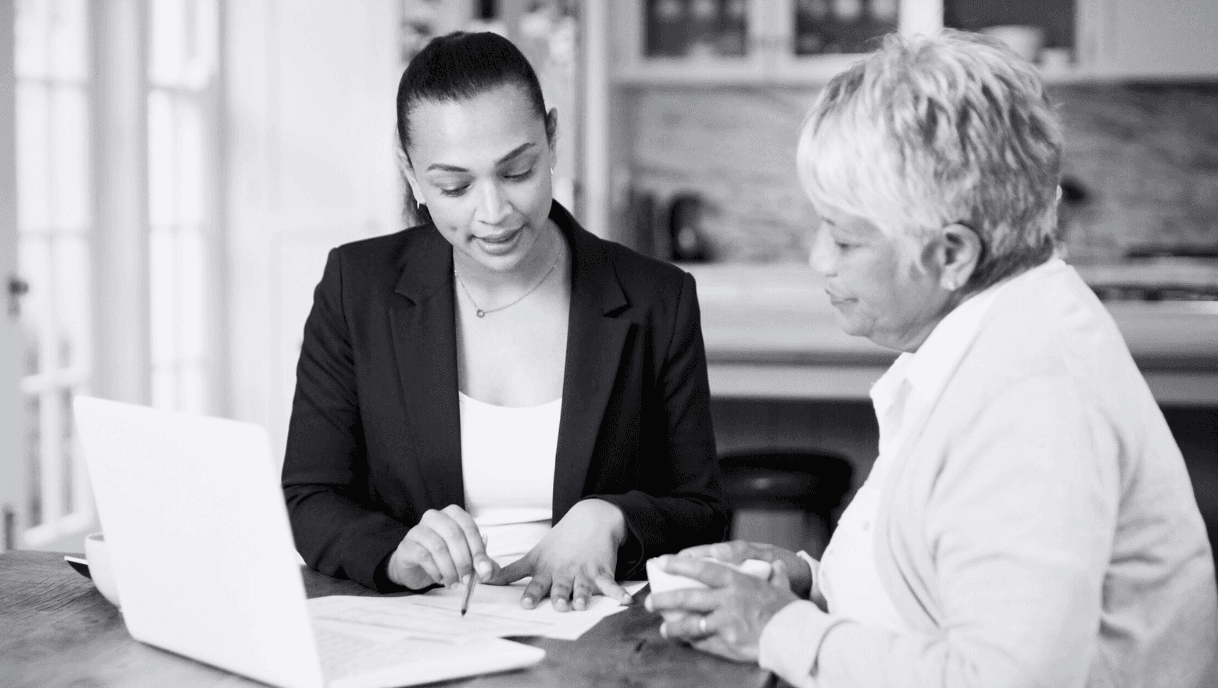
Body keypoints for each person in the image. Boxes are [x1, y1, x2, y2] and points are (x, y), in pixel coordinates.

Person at [646, 30, 1218, 686]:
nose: (818, 261)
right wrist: (803, 583)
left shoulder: (1032, 401)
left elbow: (1001, 678)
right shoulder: (988, 334)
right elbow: (936, 569)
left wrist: (780, 629)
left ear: (951, 255)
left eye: (843, 238)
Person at [281, 31, 727, 611]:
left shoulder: (655, 299)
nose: (493, 213)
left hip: (592, 630)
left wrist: (612, 517)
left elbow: (704, 511)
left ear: (552, 138)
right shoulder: (355, 288)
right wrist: (397, 552)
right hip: (420, 627)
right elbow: (310, 496)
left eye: (517, 172)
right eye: (455, 186)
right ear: (411, 173)